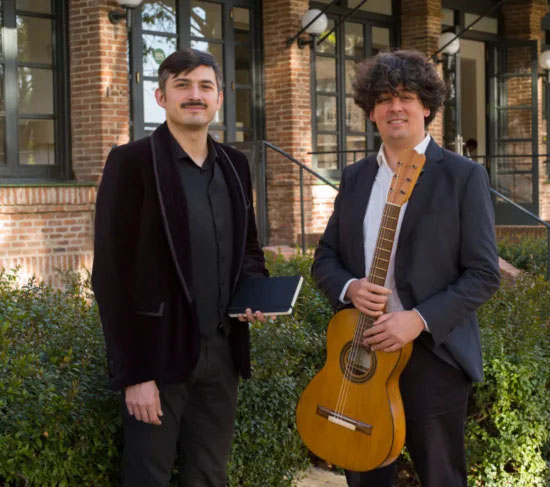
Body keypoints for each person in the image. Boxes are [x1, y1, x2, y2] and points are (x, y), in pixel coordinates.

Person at [312, 49, 500, 487]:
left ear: (428, 107)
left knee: (440, 477)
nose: (395, 106)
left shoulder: (463, 176)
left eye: (407, 96)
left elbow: (483, 273)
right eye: (384, 98)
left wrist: (417, 320)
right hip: (363, 350)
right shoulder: (357, 176)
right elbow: (325, 258)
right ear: (371, 111)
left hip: (434, 356)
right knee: (364, 474)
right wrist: (350, 288)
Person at [91, 48, 268, 487]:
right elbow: (111, 277)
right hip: (159, 355)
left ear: (219, 98)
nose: (195, 95)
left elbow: (247, 247)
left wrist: (256, 292)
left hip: (223, 354)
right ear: (161, 97)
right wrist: (135, 374)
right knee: (146, 476)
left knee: (210, 475)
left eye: (205, 86)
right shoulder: (131, 163)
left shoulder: (235, 164)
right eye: (183, 86)